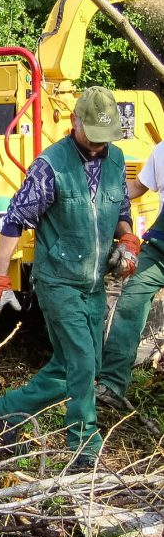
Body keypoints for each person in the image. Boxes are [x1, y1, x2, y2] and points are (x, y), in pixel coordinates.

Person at [0, 86, 139, 470]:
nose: (101, 146)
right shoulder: (50, 165)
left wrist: (129, 239)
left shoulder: (116, 160)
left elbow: (120, 206)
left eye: (107, 138)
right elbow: (16, 219)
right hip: (58, 282)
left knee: (77, 365)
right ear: (75, 122)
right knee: (83, 363)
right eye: (94, 137)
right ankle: (83, 449)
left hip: (94, 283)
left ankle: (7, 409)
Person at [97, 138, 164, 404]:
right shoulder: (162, 150)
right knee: (130, 304)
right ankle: (112, 385)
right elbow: (138, 186)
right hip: (160, 248)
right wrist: (104, 191)